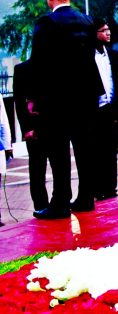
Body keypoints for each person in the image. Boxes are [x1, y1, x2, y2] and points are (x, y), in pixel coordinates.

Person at [29, 0, 103, 219]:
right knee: (85, 148)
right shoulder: (87, 20)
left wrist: (35, 98)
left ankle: (60, 201)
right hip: (85, 96)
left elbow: (38, 63)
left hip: (56, 98)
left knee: (58, 152)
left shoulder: (46, 22)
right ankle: (85, 198)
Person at [89, 18, 118, 200]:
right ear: (94, 34)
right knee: (96, 151)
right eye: (103, 30)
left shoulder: (114, 56)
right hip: (94, 110)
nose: (108, 33)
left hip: (112, 109)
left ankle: (111, 188)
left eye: (108, 30)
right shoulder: (87, 56)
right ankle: (97, 188)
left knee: (111, 150)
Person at [14, 60, 50, 211]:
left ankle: (60, 200)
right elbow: (19, 101)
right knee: (37, 167)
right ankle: (41, 205)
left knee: (61, 166)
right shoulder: (22, 69)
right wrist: (26, 128)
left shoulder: (56, 66)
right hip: (35, 127)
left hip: (55, 124)